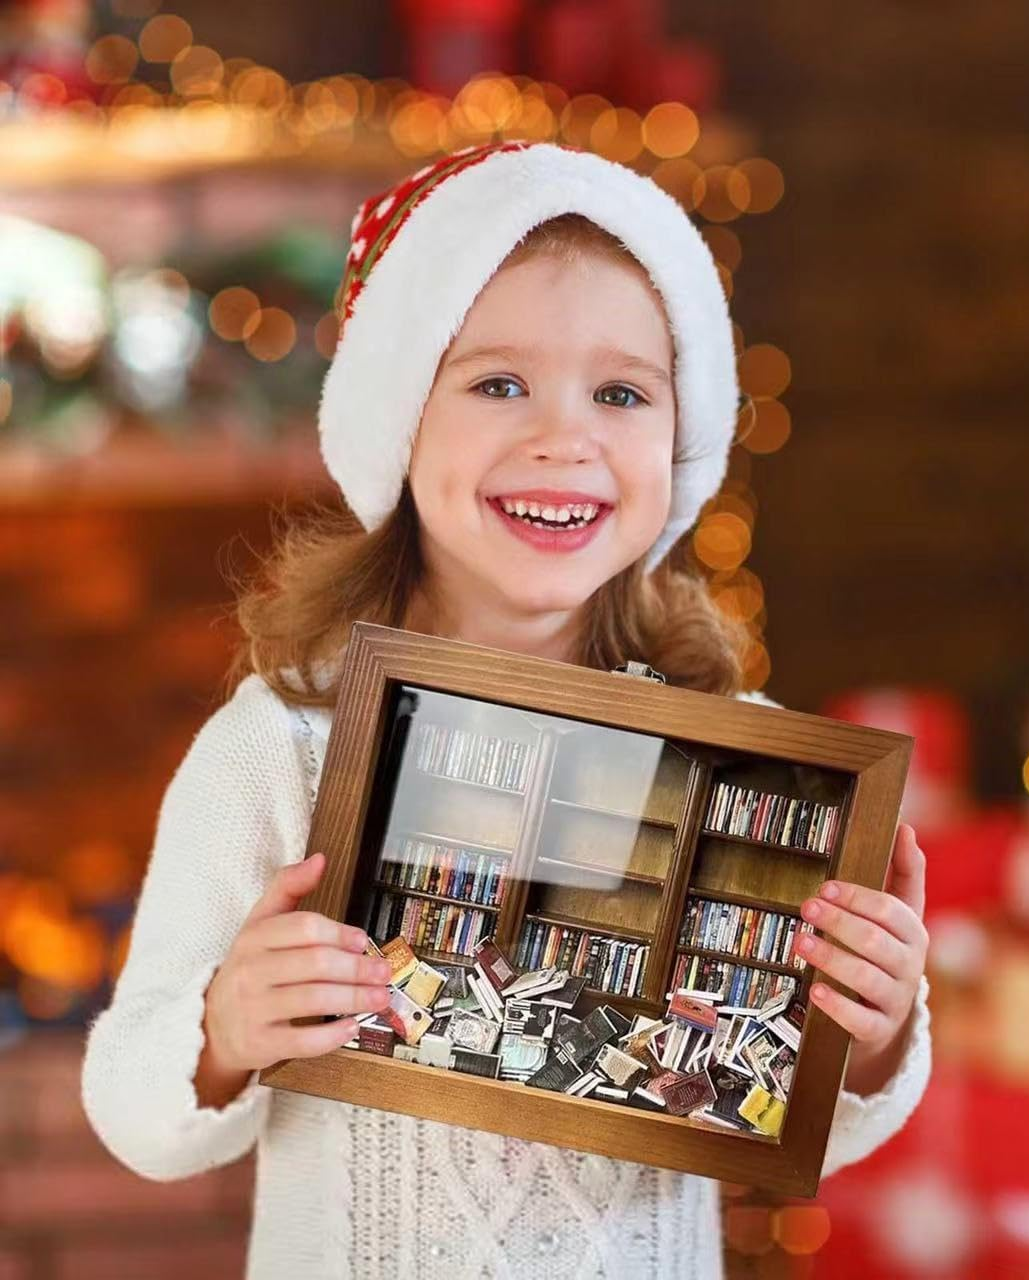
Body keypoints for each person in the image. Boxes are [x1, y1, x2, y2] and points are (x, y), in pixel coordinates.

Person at [81, 140, 933, 1279]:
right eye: (498, 383)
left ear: (678, 439)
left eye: (621, 393)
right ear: (398, 420)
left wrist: (871, 1030)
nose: (564, 438)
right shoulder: (281, 747)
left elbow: (808, 1126)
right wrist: (223, 1028)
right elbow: (132, 1109)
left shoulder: (740, 763)